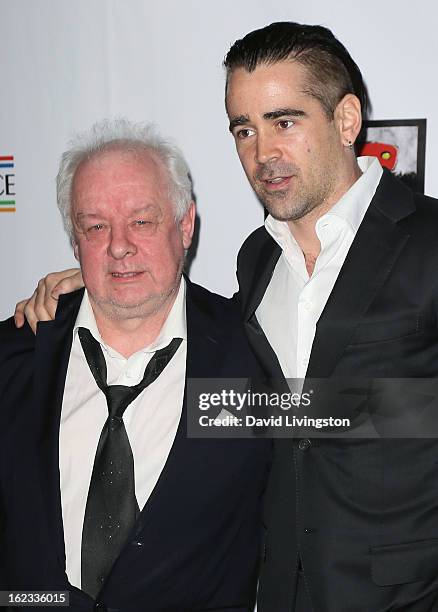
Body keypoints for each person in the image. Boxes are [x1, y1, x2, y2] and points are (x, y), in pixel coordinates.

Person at [14, 21, 438, 612]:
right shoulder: (259, 259)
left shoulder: (428, 240)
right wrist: (95, 281)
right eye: (244, 129)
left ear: (346, 121)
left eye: (284, 121)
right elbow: (258, 413)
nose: (262, 154)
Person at [0, 119, 270, 611]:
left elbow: (383, 419)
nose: (119, 246)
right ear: (74, 240)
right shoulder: (14, 358)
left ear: (184, 225)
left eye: (142, 221)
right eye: (95, 226)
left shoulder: (253, 356)